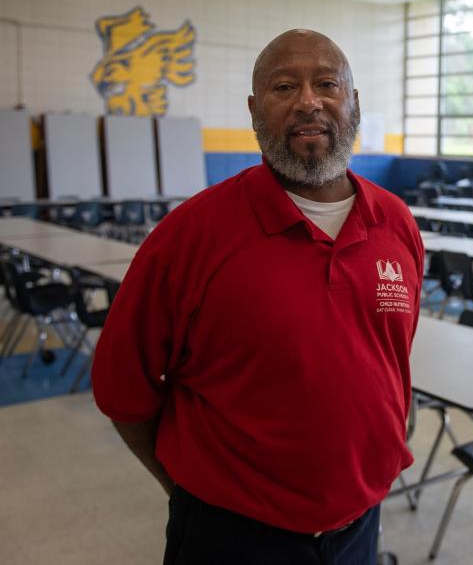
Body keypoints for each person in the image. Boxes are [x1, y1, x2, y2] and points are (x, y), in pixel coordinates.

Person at [92, 29, 424, 564]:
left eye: (327, 84)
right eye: (284, 86)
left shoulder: (397, 223)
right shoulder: (191, 235)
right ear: (254, 110)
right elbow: (121, 388)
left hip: (361, 525)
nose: (308, 101)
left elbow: (390, 355)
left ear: (354, 102)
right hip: (230, 538)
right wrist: (193, 495)